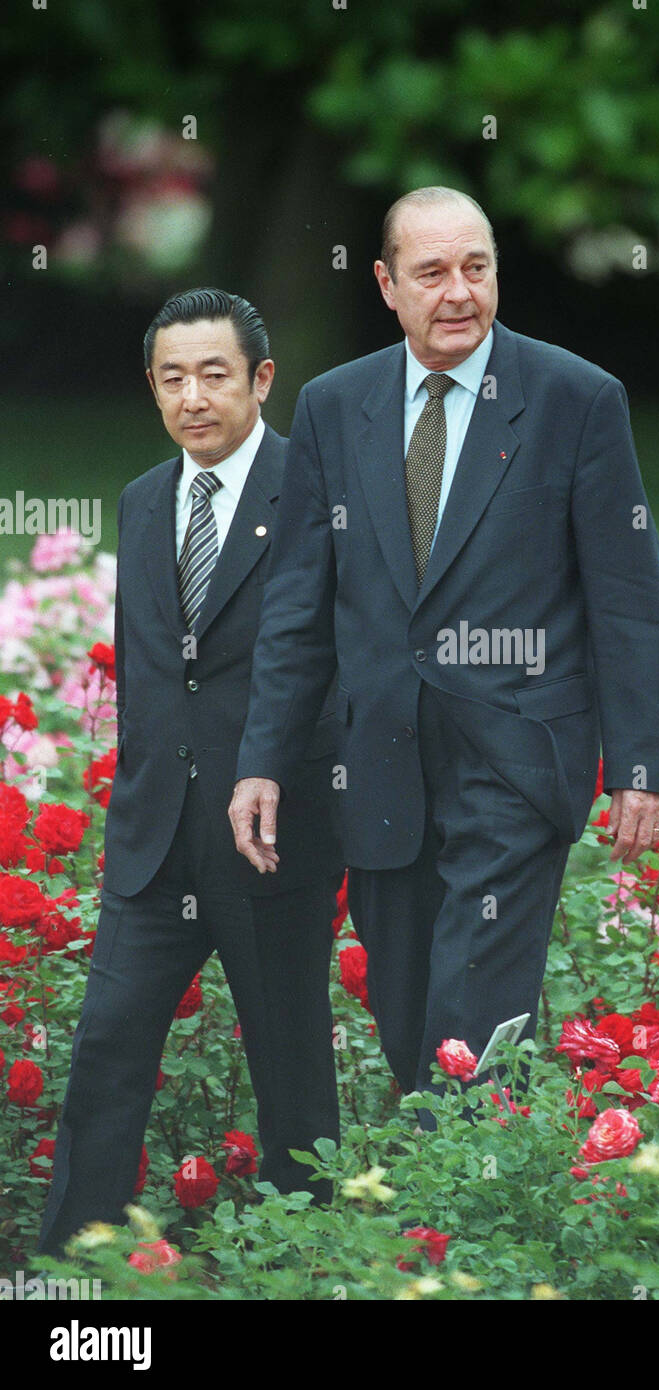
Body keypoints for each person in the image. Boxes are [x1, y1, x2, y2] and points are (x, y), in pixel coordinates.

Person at [230, 187, 659, 1105]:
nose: (458, 293)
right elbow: (297, 607)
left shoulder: (576, 399)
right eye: (432, 273)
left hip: (517, 759)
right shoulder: (333, 405)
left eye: (475, 268)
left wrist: (645, 764)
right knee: (406, 1012)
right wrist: (264, 760)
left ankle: (449, 1237)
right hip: (382, 763)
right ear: (387, 284)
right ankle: (476, 1193)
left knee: (471, 1019)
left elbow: (628, 598)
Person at [39, 288, 345, 1254]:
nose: (193, 397)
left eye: (215, 374)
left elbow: (332, 662)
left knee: (291, 1073)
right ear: (152, 388)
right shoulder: (140, 500)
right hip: (151, 840)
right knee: (105, 1061)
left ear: (261, 379)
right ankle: (70, 1276)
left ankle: (304, 1266)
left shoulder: (315, 493)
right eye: (173, 378)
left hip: (270, 841)